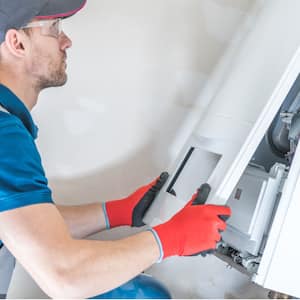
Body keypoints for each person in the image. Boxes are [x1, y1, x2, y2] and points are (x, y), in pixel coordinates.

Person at [0, 0, 231, 298]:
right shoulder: (5, 135)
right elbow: (64, 275)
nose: (66, 41)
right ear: (17, 43)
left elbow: (24, 226)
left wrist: (115, 212)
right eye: (54, 29)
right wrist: (169, 240)